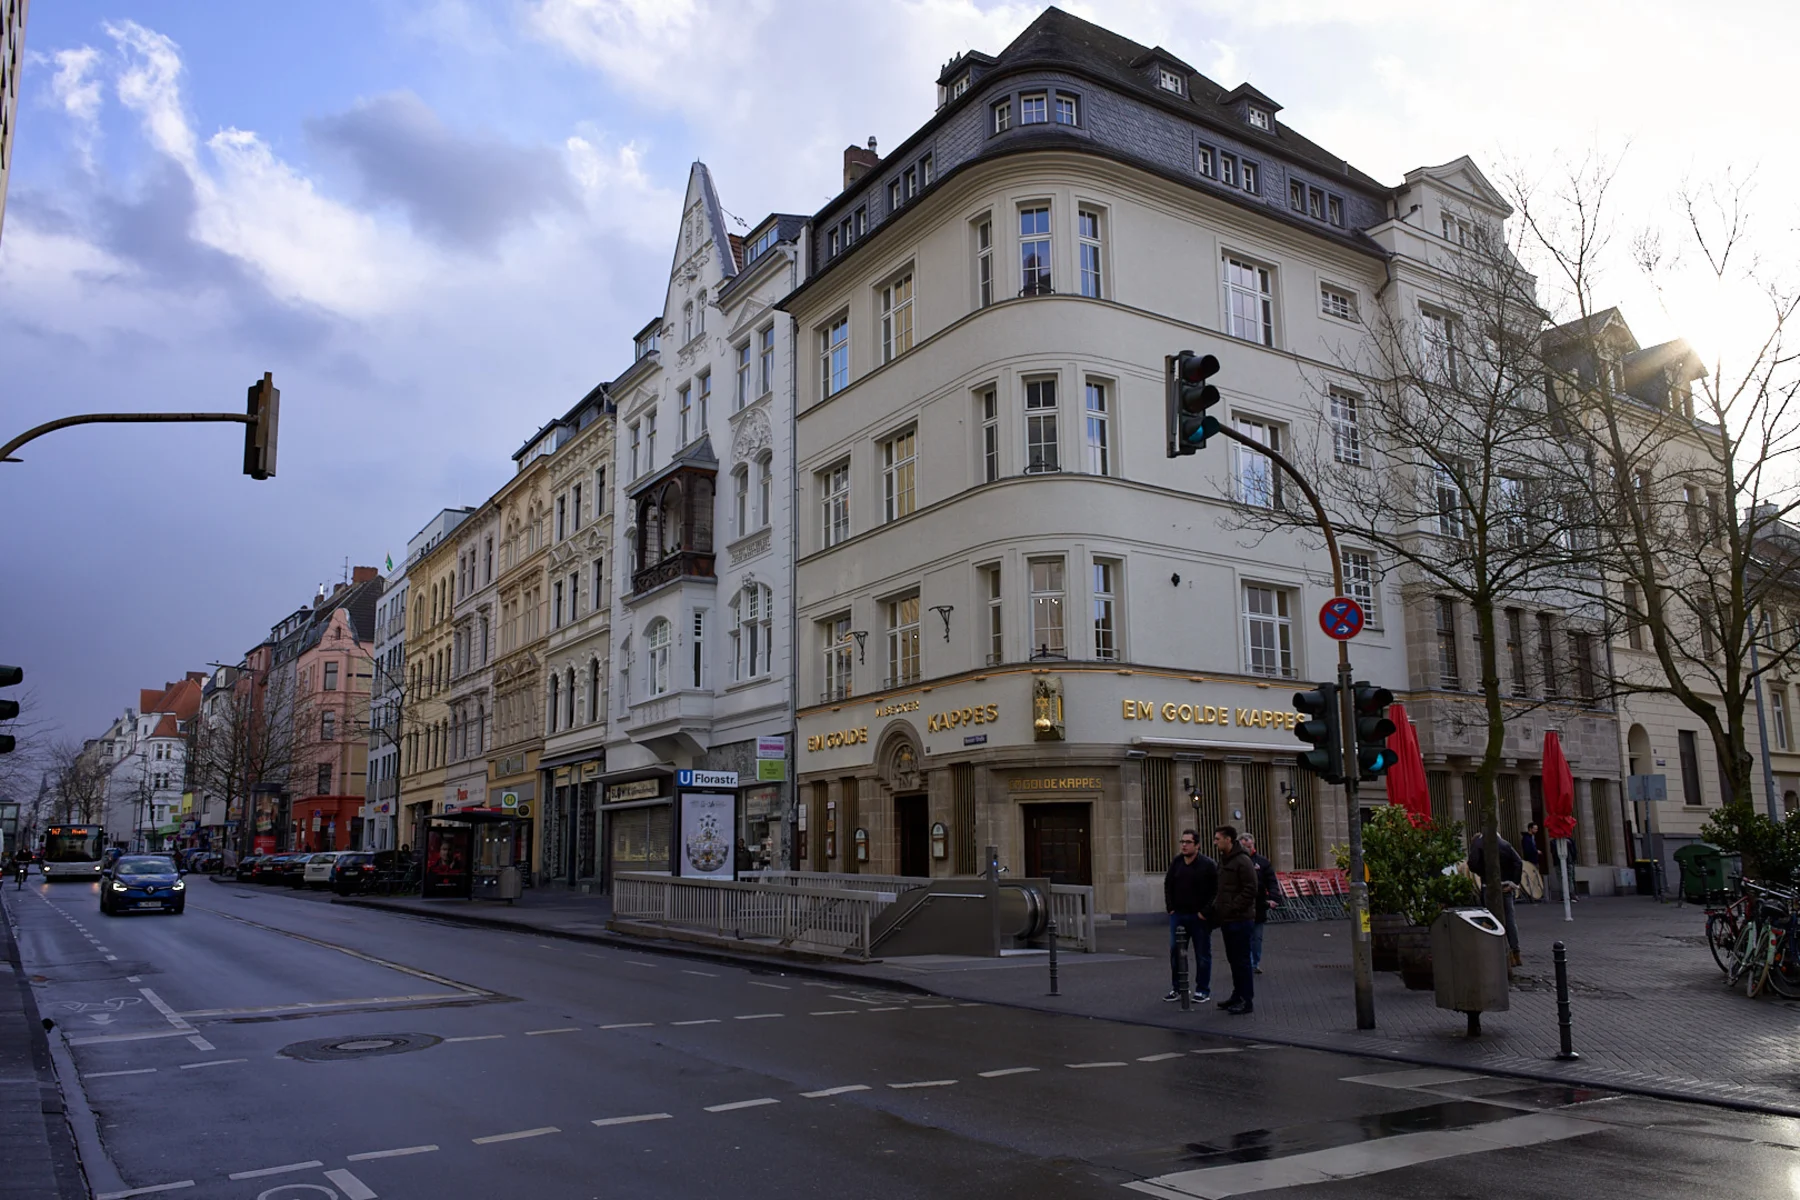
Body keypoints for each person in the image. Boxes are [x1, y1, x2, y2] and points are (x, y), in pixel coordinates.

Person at [1163, 829, 1217, 1003]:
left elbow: (1216, 891)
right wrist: (1170, 907)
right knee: (1176, 953)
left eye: (1188, 842)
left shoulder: (1208, 865)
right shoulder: (1177, 862)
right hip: (1178, 916)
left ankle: (1202, 990)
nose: (1184, 845)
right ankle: (1177, 988)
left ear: (1197, 845)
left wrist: (1205, 912)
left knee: (1202, 954)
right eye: (1182, 842)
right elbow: (1168, 884)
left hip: (1199, 918)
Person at [1212, 826, 1259, 1014]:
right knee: (1233, 960)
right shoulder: (1223, 861)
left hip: (1240, 919)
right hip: (1228, 919)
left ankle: (1246, 1000)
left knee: (1242, 961)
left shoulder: (1242, 861)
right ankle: (1237, 994)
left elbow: (1251, 888)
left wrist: (1233, 906)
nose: (1215, 842)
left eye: (1218, 839)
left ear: (1228, 840)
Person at [1468, 831, 1525, 968]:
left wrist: (1483, 873)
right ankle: (1515, 952)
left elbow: (1472, 863)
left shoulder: (1478, 844)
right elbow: (1518, 862)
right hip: (1506, 885)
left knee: (1492, 920)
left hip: (1489, 886)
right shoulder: (1505, 844)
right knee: (1510, 919)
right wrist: (1513, 882)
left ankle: (1497, 953)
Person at [1240, 833, 1280, 974]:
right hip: (1242, 907)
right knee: (1244, 937)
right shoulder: (1236, 862)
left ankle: (1254, 962)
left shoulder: (1262, 862)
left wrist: (1274, 898)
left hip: (1259, 905)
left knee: (1256, 938)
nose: (1247, 849)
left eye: (1249, 846)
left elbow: (1271, 881)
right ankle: (1247, 963)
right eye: (1244, 847)